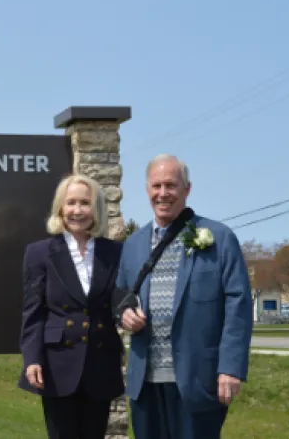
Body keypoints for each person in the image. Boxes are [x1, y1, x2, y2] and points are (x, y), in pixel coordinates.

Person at [113, 154, 253, 439]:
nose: (163, 193)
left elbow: (239, 306)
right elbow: (120, 298)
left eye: (171, 185)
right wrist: (124, 315)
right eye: (156, 186)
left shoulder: (219, 237)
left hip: (199, 379)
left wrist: (230, 368)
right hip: (145, 381)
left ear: (187, 189)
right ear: (147, 189)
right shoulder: (132, 245)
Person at [18, 173, 126, 438]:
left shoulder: (115, 252)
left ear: (97, 209)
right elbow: (33, 311)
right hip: (57, 364)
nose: (78, 211)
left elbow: (122, 299)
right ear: (61, 208)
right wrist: (32, 359)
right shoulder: (40, 252)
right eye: (72, 203)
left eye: (85, 203)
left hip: (100, 362)